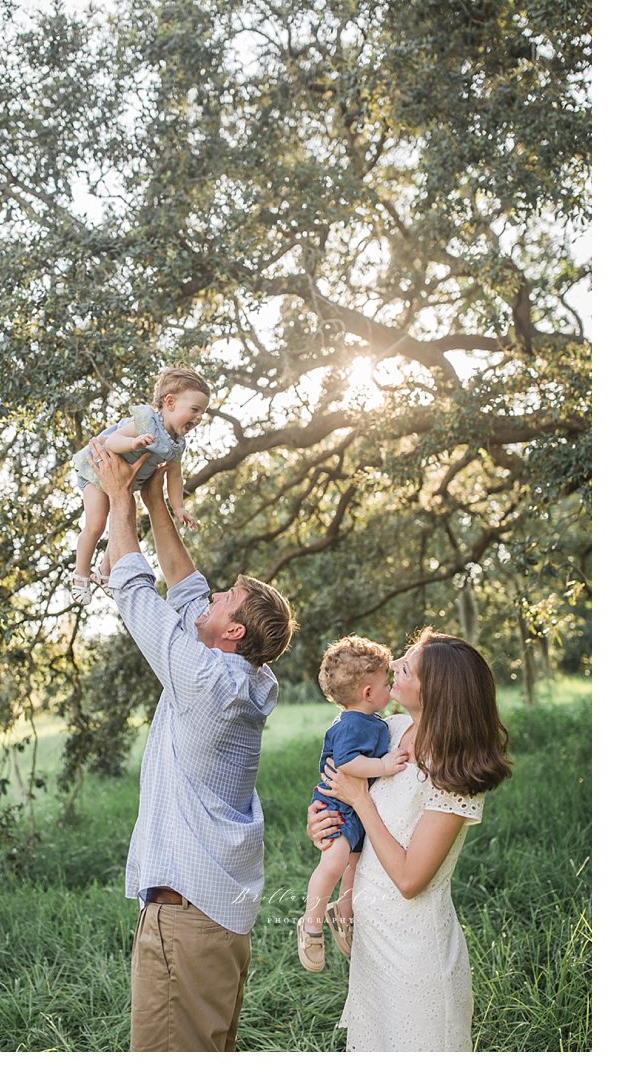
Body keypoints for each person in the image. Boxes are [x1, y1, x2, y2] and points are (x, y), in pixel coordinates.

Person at [87, 434, 296, 1052]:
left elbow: (135, 591)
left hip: (184, 920)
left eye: (225, 598)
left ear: (232, 631)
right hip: (215, 919)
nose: (211, 596)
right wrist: (157, 500)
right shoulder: (245, 676)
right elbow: (184, 586)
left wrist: (119, 499)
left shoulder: (203, 678)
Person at [308, 629, 512, 1052]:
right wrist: (325, 824)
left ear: (437, 691)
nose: (394, 666)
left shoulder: (455, 777)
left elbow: (408, 879)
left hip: (417, 958)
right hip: (371, 948)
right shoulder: (389, 730)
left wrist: (359, 799)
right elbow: (343, 794)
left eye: (408, 668)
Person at [297, 635, 409, 972]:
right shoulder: (352, 724)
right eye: (386, 684)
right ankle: (310, 924)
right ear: (369, 693)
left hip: (356, 806)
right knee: (334, 864)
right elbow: (346, 763)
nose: (390, 687)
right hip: (338, 807)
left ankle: (343, 916)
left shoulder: (369, 721)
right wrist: (384, 766)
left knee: (355, 868)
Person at [69, 365, 211, 604]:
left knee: (125, 521)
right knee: (96, 523)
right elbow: (112, 441)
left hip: (124, 484)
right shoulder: (147, 421)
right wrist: (133, 443)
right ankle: (80, 575)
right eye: (194, 410)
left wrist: (178, 508)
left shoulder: (177, 445)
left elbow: (175, 477)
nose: (197, 418)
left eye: (202, 413)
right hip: (97, 473)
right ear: (170, 402)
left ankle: (105, 571)